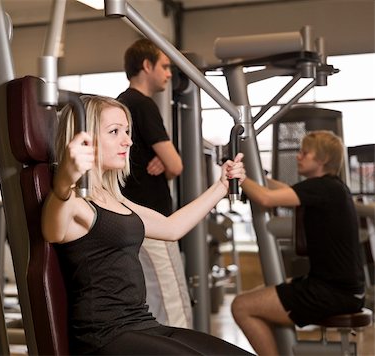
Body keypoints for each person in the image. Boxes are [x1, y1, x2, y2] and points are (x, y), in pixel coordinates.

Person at [41, 95, 250, 355]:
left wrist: (220, 187)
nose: (127, 141)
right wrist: (64, 180)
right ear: (84, 139)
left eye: (127, 131)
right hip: (104, 335)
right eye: (114, 131)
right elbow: (52, 229)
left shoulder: (114, 199)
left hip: (142, 324)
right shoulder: (74, 201)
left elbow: (171, 228)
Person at [231, 130, 365, 356]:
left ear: (321, 160)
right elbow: (283, 191)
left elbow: (266, 198)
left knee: (241, 306)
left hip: (332, 292)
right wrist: (258, 177)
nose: (298, 156)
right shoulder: (331, 187)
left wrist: (240, 178)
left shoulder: (322, 187)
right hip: (339, 288)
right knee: (259, 295)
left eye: (305, 153)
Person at [117, 38, 192, 327]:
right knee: (172, 303)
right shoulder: (143, 105)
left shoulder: (120, 103)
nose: (170, 73)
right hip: (155, 221)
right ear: (146, 66)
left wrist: (163, 160)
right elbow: (175, 165)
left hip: (132, 219)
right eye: (164, 66)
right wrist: (168, 162)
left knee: (152, 302)